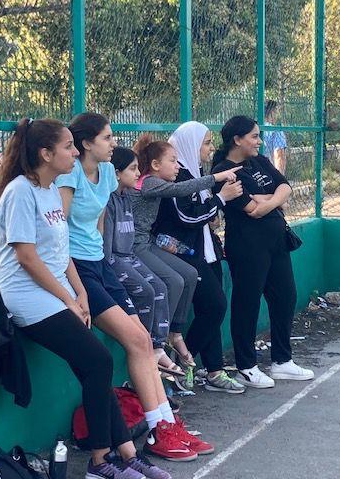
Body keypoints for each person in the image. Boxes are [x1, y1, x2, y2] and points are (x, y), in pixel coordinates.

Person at [0, 118, 170, 479]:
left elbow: (62, 252)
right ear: (46, 153)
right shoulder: (20, 192)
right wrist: (69, 299)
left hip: (56, 292)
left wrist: (82, 293)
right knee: (99, 361)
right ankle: (99, 462)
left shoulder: (48, 189)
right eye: (68, 146)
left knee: (94, 366)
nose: (75, 152)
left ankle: (125, 452)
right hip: (26, 297)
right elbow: (27, 258)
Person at [56, 112, 213, 462]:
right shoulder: (70, 175)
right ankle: (160, 430)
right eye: (107, 138)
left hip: (99, 264)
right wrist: (73, 287)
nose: (114, 143)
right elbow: (59, 231)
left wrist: (101, 259)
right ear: (86, 144)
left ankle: (166, 425)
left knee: (143, 340)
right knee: (134, 340)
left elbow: (98, 223)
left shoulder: (109, 174)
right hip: (77, 269)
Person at [211, 115, 314, 389]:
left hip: (276, 241)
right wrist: (272, 202)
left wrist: (265, 202)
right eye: (254, 136)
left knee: (285, 296)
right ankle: (246, 366)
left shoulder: (260, 161)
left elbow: (285, 187)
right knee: (248, 303)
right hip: (247, 247)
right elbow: (248, 209)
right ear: (237, 139)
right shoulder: (223, 171)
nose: (259, 141)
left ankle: (282, 361)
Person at [129, 134, 241, 372]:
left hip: (149, 242)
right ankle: (157, 340)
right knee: (170, 282)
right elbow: (183, 190)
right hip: (136, 246)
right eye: (172, 161)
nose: (178, 166)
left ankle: (175, 332)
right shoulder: (150, 182)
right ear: (156, 165)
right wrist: (217, 180)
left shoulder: (157, 182)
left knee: (188, 276)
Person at [154, 121, 246, 394]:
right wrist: (220, 199)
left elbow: (203, 214)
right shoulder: (176, 175)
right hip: (186, 254)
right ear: (191, 145)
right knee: (215, 306)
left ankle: (214, 370)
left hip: (207, 250)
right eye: (206, 142)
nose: (211, 148)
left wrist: (214, 206)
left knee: (213, 309)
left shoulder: (196, 172)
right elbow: (187, 216)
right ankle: (182, 362)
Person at [103, 147, 182, 377]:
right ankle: (144, 348)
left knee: (159, 287)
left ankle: (157, 346)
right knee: (146, 291)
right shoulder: (108, 201)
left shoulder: (127, 197)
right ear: (116, 173)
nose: (138, 173)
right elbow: (108, 245)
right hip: (115, 259)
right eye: (133, 168)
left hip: (129, 257)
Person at [263, 100, 288, 174]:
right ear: (272, 112)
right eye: (276, 112)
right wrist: (280, 179)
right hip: (271, 174)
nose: (276, 115)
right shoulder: (276, 131)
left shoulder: (253, 129)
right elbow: (279, 156)